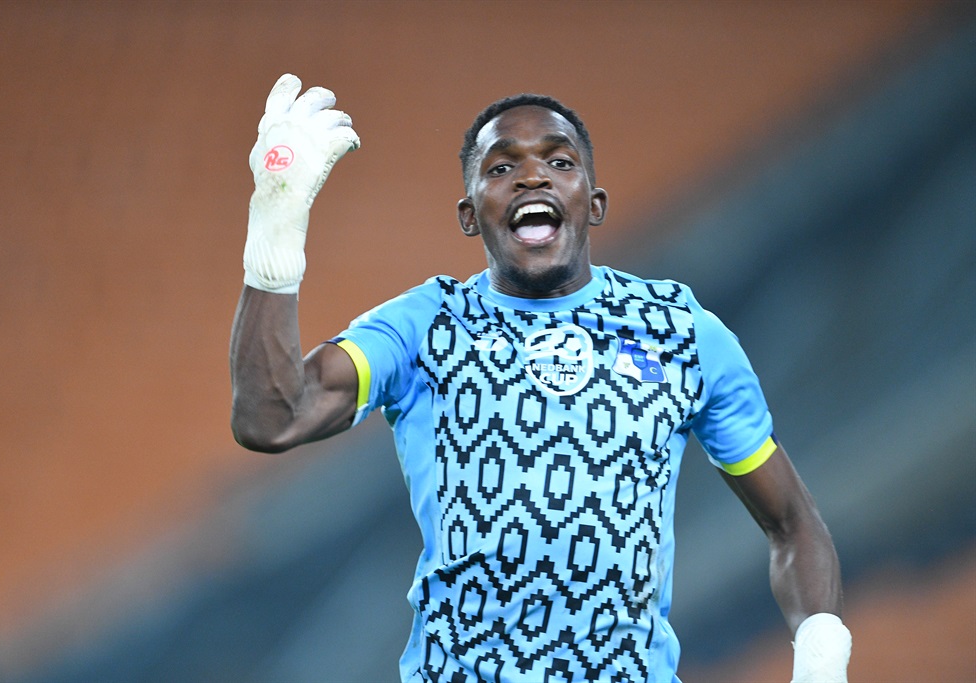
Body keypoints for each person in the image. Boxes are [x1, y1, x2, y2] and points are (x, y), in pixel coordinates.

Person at [229, 73, 853, 682]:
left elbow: (793, 523)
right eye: (500, 168)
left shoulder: (681, 332)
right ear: (470, 214)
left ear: (594, 203)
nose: (532, 176)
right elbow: (273, 417)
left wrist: (822, 648)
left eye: (560, 162)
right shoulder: (425, 327)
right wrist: (275, 228)